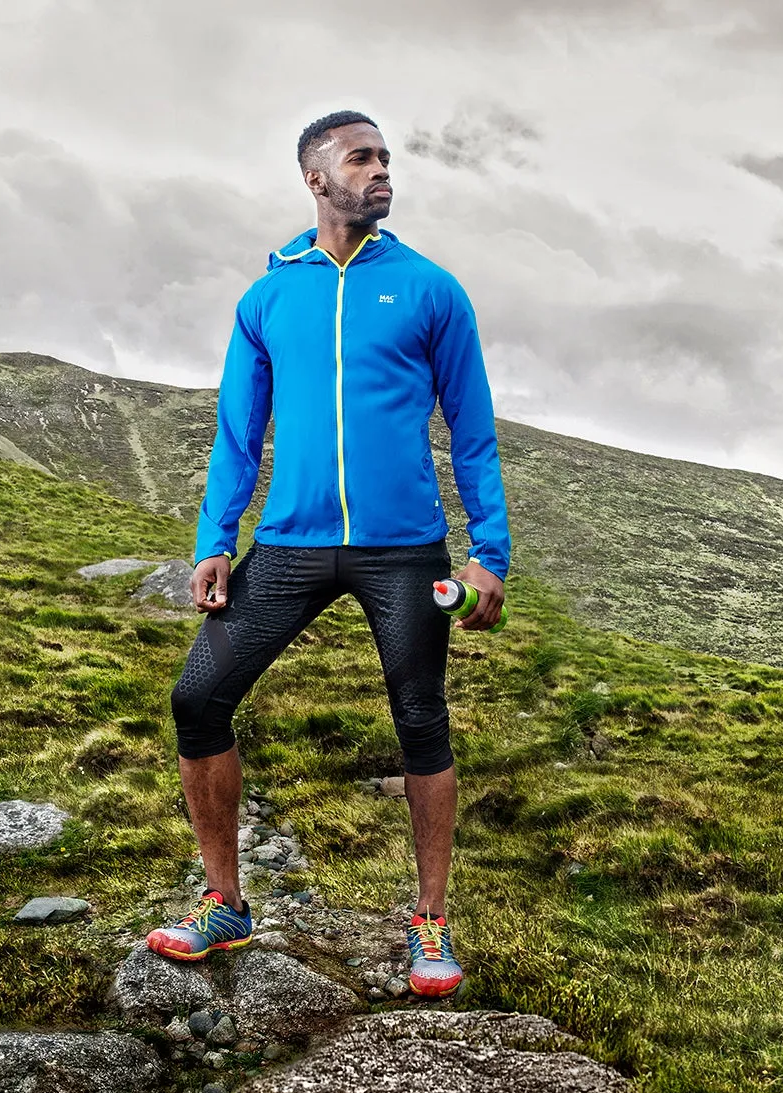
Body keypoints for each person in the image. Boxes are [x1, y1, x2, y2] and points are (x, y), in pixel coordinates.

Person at [146, 110, 510, 1000]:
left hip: (404, 555)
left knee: (421, 718)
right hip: (291, 547)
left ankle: (429, 922)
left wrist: (488, 552)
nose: (382, 170)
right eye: (363, 158)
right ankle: (226, 901)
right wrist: (215, 543)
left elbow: (473, 433)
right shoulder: (269, 297)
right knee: (198, 696)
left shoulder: (431, 289)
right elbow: (238, 434)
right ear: (317, 178)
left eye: (387, 157)